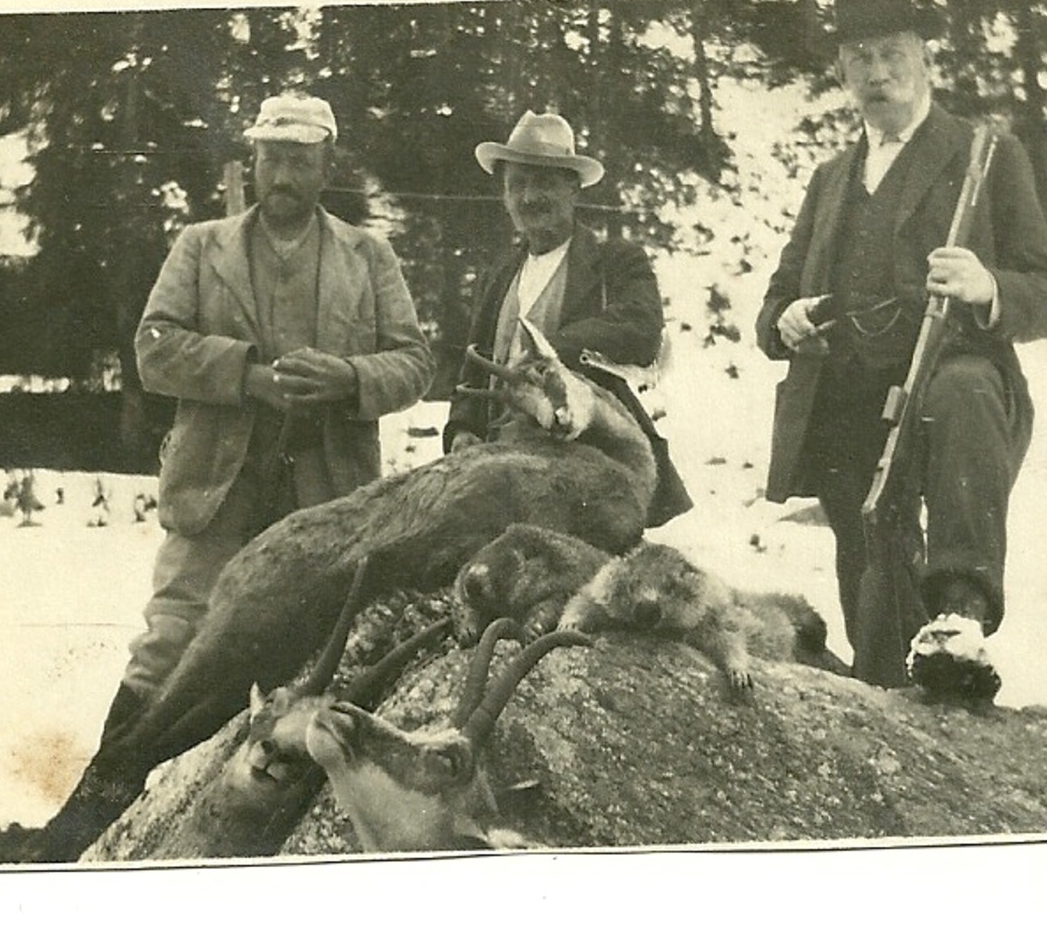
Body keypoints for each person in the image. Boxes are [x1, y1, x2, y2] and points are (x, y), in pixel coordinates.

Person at [755, 0, 1047, 699]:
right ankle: (898, 685)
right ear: (841, 73)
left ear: (924, 61)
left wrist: (987, 285)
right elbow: (772, 303)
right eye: (859, 58)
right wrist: (787, 319)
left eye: (892, 54)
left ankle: (960, 615)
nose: (877, 71)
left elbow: (1046, 295)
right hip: (845, 395)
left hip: (950, 374)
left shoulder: (986, 156)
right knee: (868, 583)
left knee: (960, 392)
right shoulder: (829, 179)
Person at [103, 93, 434, 739]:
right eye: (270, 159)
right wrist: (246, 376)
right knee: (171, 641)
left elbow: (416, 363)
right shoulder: (201, 247)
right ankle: (100, 803)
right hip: (215, 493)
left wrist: (350, 378)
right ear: (251, 162)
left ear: (326, 166)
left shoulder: (368, 257)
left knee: (314, 652)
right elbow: (154, 349)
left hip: (328, 502)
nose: (282, 177)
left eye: (299, 162)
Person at [444, 110, 691, 527]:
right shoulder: (501, 274)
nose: (528, 197)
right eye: (516, 185)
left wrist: (549, 351)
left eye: (543, 182)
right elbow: (474, 365)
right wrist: (462, 428)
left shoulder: (617, 261)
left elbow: (641, 328)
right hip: (498, 476)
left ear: (573, 187)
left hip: (587, 476)